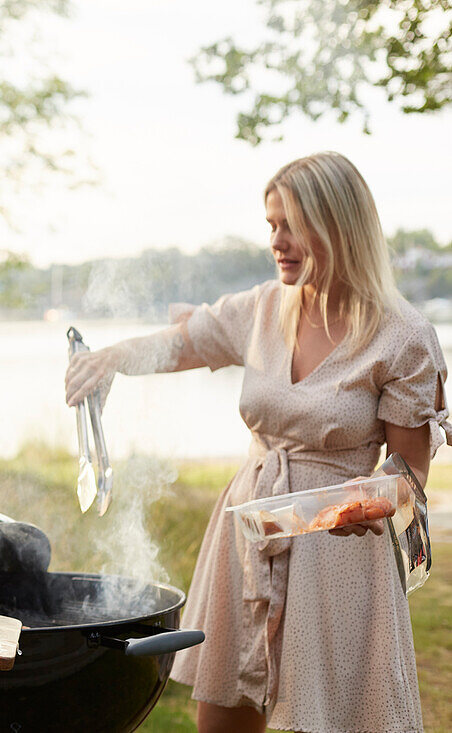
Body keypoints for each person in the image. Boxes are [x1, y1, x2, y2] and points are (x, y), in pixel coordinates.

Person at [65, 151, 448, 733]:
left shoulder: (402, 336)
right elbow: (184, 344)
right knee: (223, 715)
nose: (278, 241)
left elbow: (406, 476)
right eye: (271, 225)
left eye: (291, 224)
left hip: (338, 552)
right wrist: (108, 360)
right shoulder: (265, 307)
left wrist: (371, 501)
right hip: (249, 526)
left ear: (338, 224)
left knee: (330, 717)